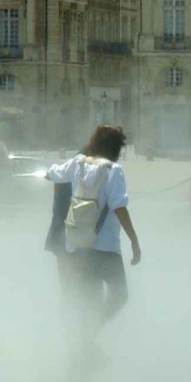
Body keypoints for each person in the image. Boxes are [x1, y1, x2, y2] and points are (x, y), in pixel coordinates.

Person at [45, 125, 143, 348]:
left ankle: (82, 345)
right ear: (117, 148)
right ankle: (89, 333)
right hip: (106, 248)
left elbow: (52, 174)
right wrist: (134, 241)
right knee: (119, 295)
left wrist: (46, 172)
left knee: (86, 299)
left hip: (79, 245)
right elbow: (120, 207)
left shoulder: (78, 163)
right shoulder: (113, 170)